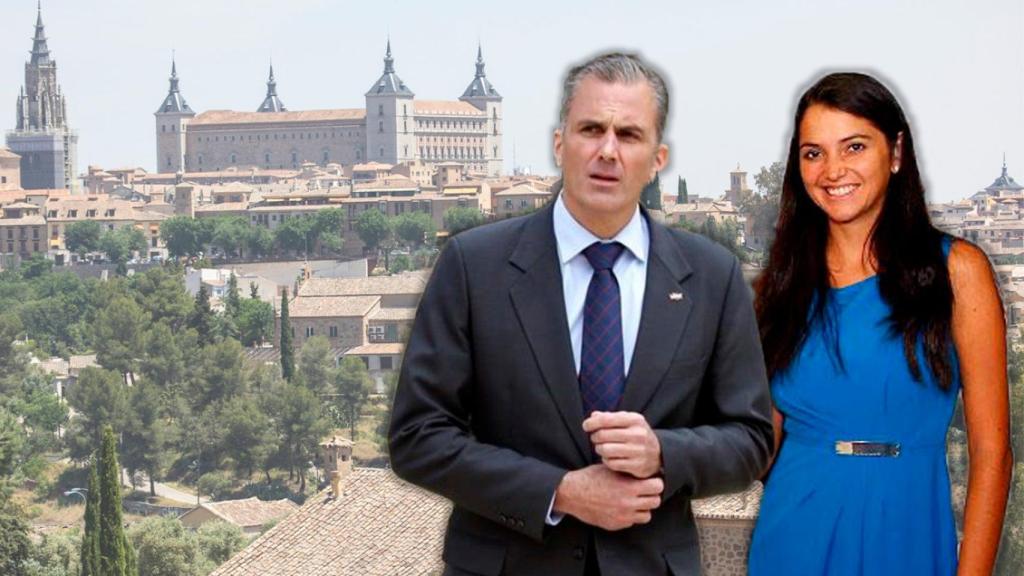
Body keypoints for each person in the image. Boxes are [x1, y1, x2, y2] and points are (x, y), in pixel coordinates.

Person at [389, 52, 773, 576]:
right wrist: (560, 492)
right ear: (559, 144)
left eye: (629, 135)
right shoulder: (473, 267)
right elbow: (418, 437)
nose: (608, 151)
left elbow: (750, 441)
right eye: (591, 128)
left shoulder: (712, 276)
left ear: (658, 159)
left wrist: (662, 452)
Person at [748, 72, 1013, 575]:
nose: (832, 170)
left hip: (907, 533)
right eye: (813, 153)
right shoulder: (779, 288)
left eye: (853, 147)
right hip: (792, 535)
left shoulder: (958, 272)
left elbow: (993, 454)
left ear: (895, 153)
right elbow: (759, 445)